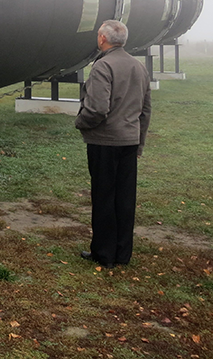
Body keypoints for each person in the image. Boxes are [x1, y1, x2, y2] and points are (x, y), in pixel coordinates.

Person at [75, 19, 151, 268]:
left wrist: (81, 122)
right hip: (129, 142)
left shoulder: (102, 66)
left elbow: (97, 108)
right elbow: (145, 110)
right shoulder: (138, 67)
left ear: (101, 38)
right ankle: (122, 253)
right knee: (124, 198)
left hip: (105, 143)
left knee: (104, 196)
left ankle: (103, 254)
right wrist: (138, 143)